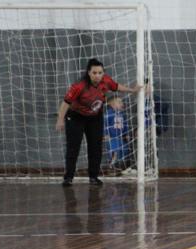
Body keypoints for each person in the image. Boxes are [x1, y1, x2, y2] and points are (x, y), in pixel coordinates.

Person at [55, 58, 142, 186]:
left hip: (95, 117)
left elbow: (117, 87)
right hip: (76, 117)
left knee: (95, 148)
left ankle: (93, 177)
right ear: (89, 73)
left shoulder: (106, 81)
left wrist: (132, 90)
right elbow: (65, 103)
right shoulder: (79, 86)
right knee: (73, 148)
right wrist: (60, 120)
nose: (97, 75)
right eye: (94, 73)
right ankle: (68, 178)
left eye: (100, 72)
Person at [104, 96, 131, 171]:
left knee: (124, 150)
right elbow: (105, 124)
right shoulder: (109, 113)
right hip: (112, 137)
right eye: (119, 102)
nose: (121, 104)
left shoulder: (122, 114)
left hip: (121, 137)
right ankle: (111, 166)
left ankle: (121, 166)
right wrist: (106, 134)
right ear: (112, 104)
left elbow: (125, 124)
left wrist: (127, 134)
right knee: (114, 151)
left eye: (121, 102)